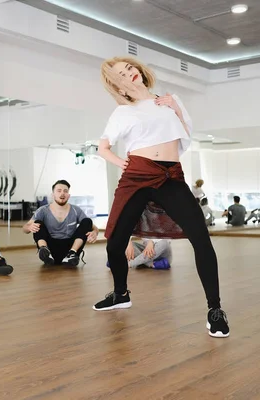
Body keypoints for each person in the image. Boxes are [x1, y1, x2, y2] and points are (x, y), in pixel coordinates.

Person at [95, 56, 229, 338]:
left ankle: (214, 310)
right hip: (137, 176)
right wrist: (123, 164)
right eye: (121, 74)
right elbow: (102, 147)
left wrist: (176, 109)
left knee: (201, 238)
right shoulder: (122, 112)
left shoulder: (169, 99)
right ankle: (121, 293)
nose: (129, 73)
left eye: (130, 67)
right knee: (115, 242)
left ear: (139, 70)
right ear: (118, 86)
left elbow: (186, 134)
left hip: (171, 176)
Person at [23, 180, 99, 266]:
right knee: (37, 222)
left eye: (65, 191)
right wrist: (29, 227)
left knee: (87, 221)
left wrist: (95, 232)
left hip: (70, 248)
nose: (62, 193)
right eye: (59, 191)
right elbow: (25, 228)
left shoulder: (76, 210)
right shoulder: (43, 210)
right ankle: (44, 251)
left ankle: (71, 254)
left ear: (68, 195)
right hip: (51, 248)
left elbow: (93, 227)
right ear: (53, 195)